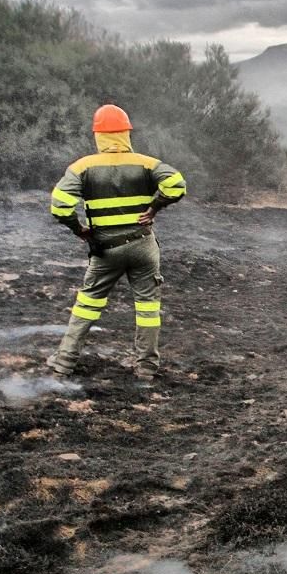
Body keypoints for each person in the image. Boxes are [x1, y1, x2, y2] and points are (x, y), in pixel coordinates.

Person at [47, 104, 186, 379]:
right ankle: (146, 367)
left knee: (87, 304)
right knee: (148, 307)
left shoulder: (82, 167)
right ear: (126, 133)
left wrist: (80, 230)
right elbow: (177, 184)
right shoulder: (147, 163)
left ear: (98, 135)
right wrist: (155, 207)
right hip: (143, 246)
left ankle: (64, 363)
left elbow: (59, 206)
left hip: (105, 250)